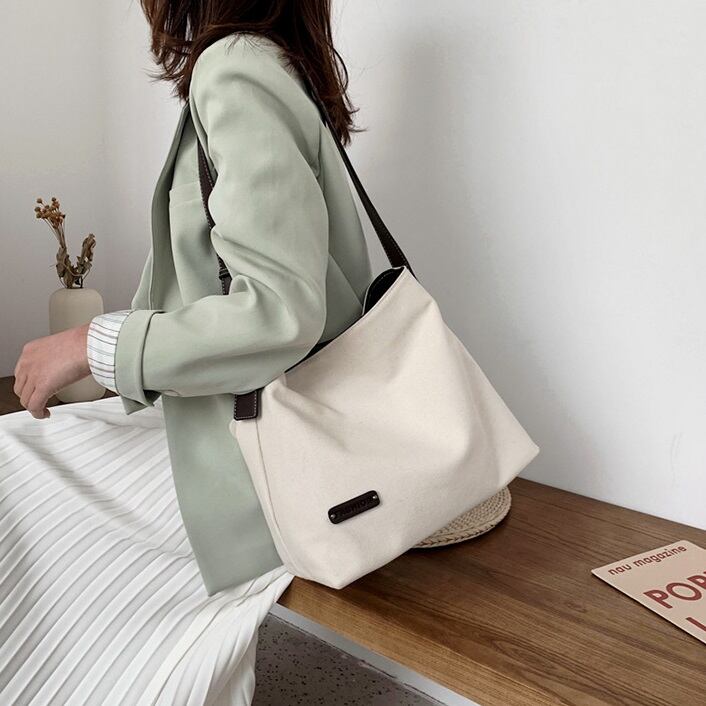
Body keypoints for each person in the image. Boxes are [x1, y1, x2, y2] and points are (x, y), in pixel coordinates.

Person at [7, 1, 373, 702]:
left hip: (271, 457)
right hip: (268, 420)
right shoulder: (272, 64)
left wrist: (92, 344)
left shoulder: (235, 68)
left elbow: (280, 311)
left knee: (19, 461)